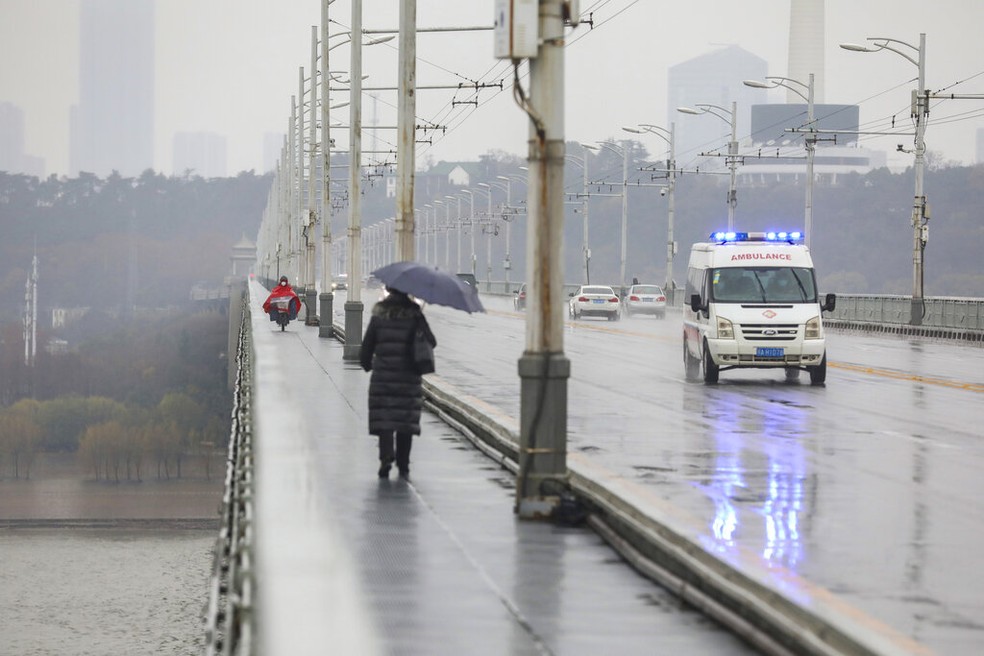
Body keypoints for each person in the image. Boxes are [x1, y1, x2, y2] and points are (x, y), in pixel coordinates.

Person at [359, 286, 437, 480]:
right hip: (408, 378)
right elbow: (431, 341)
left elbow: (368, 344)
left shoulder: (379, 314)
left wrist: (367, 364)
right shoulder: (415, 314)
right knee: (404, 421)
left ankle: (386, 456)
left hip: (383, 376)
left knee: (385, 418)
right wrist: (418, 320)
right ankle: (403, 464)